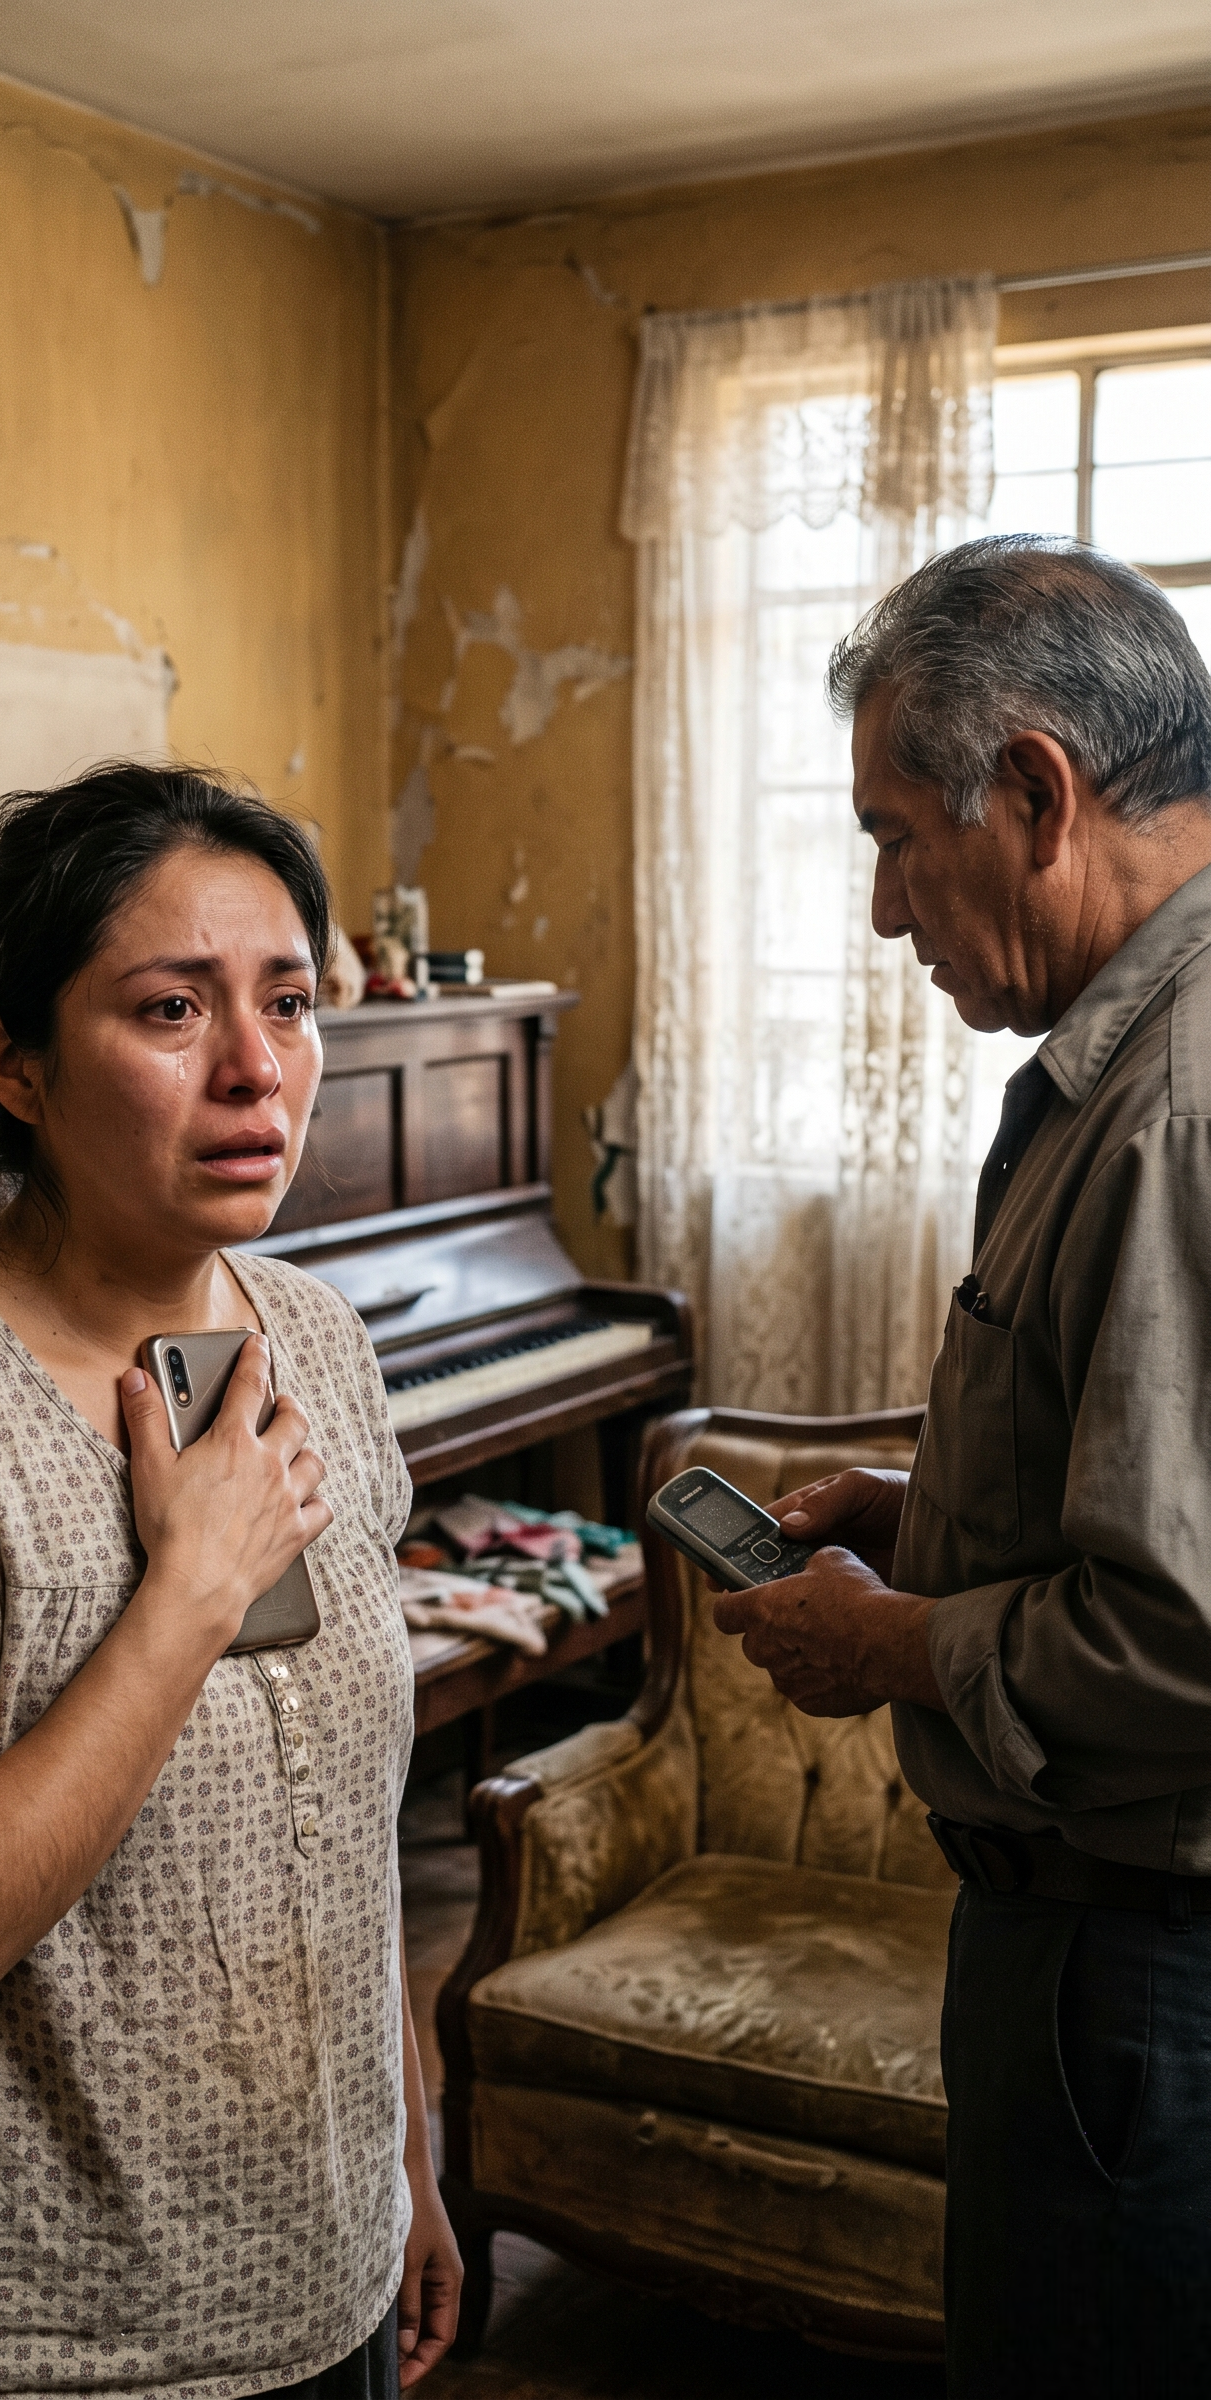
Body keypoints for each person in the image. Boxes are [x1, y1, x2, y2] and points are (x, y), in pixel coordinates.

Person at [0, 765, 461, 2400]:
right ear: (14, 1061)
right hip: (10, 2339)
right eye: (172, 1009)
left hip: (319, 2280)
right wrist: (188, 1591)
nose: (256, 1068)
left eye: (289, 1003)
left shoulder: (318, 1340)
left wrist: (406, 2158)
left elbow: (348, 1831)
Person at [711, 535, 1211, 2398]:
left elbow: (1184, 1635)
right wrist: (923, 1520)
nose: (882, 911)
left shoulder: (1176, 1112)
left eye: (894, 837)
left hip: (1136, 1981)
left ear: (1035, 793)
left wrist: (891, 1642)